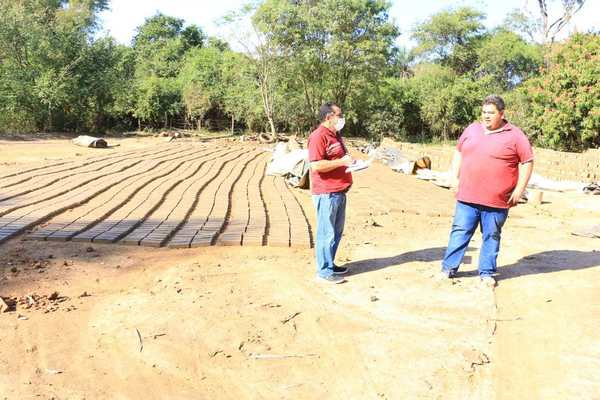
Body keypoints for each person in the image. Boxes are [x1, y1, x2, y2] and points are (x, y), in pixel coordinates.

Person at [440, 95, 534, 287]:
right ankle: (448, 269)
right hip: (467, 197)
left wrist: (519, 189)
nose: (486, 116)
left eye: (491, 113)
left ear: (501, 113)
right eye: (484, 112)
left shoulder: (515, 135)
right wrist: (453, 177)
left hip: (496, 201)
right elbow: (458, 152)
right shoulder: (472, 129)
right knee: (459, 232)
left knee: (491, 236)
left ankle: (486, 273)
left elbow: (527, 162)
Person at [308, 102, 353, 284]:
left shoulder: (336, 135)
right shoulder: (318, 136)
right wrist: (341, 162)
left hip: (339, 191)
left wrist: (350, 162)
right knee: (326, 233)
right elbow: (316, 165)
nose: (342, 118)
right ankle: (324, 271)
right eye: (339, 115)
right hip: (326, 193)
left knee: (336, 231)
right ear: (329, 117)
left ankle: (330, 263)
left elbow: (341, 159)